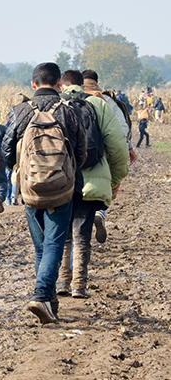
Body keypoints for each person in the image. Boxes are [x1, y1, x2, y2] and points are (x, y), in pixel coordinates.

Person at [1, 62, 86, 324]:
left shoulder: (20, 111)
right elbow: (82, 151)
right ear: (59, 83)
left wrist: (20, 169)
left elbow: (6, 149)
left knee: (41, 248)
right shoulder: (69, 112)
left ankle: (48, 301)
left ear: (33, 84)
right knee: (54, 245)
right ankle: (41, 296)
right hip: (61, 189)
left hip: (30, 190)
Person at [57, 69, 128, 298]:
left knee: (63, 233)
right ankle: (79, 285)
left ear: (62, 85)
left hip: (60, 179)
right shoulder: (99, 106)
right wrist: (115, 180)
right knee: (82, 234)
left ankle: (61, 283)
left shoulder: (55, 106)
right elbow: (117, 146)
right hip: (91, 180)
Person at [81, 69, 135, 244]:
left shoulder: (71, 99)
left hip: (77, 158)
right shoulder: (109, 101)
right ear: (97, 81)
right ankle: (100, 213)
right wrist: (129, 149)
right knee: (104, 191)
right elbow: (122, 130)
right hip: (103, 158)